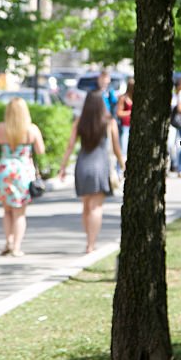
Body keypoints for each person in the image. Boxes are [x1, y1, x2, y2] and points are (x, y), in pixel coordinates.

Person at [59, 91, 125, 254]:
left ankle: (88, 239)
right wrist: (123, 165)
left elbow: (70, 146)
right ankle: (91, 243)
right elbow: (116, 147)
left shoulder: (79, 121)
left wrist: (62, 167)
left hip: (82, 165)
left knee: (86, 206)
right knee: (96, 208)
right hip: (100, 166)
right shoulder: (109, 122)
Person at [0, 97, 45, 257]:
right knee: (19, 212)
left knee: (7, 210)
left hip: (4, 169)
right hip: (23, 171)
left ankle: (8, 241)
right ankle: (16, 247)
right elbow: (40, 150)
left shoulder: (1, 128)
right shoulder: (31, 129)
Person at [115, 79, 134, 173]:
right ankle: (119, 170)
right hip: (125, 126)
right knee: (123, 149)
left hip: (134, 126)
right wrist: (130, 113)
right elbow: (119, 112)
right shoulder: (123, 98)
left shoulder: (136, 97)